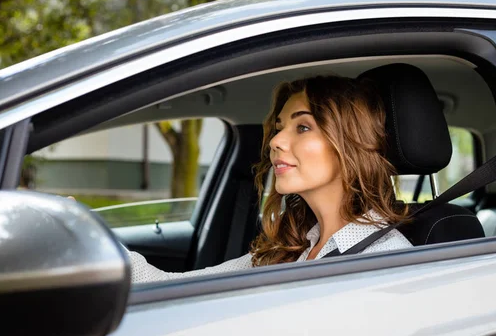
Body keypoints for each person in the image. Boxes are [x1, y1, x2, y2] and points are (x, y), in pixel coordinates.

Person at [128, 75, 413, 283]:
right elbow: (177, 289)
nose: (275, 141)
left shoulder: (386, 259)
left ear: (350, 144)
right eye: (279, 128)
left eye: (302, 127)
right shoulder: (293, 246)